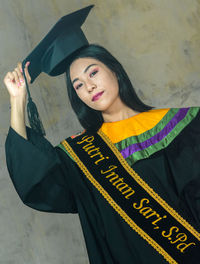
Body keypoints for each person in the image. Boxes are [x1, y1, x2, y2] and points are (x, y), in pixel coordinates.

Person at [3, 43, 200, 264]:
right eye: (78, 85)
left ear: (114, 69)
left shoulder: (184, 124)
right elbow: (36, 183)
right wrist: (17, 100)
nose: (89, 87)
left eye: (93, 73)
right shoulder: (79, 155)